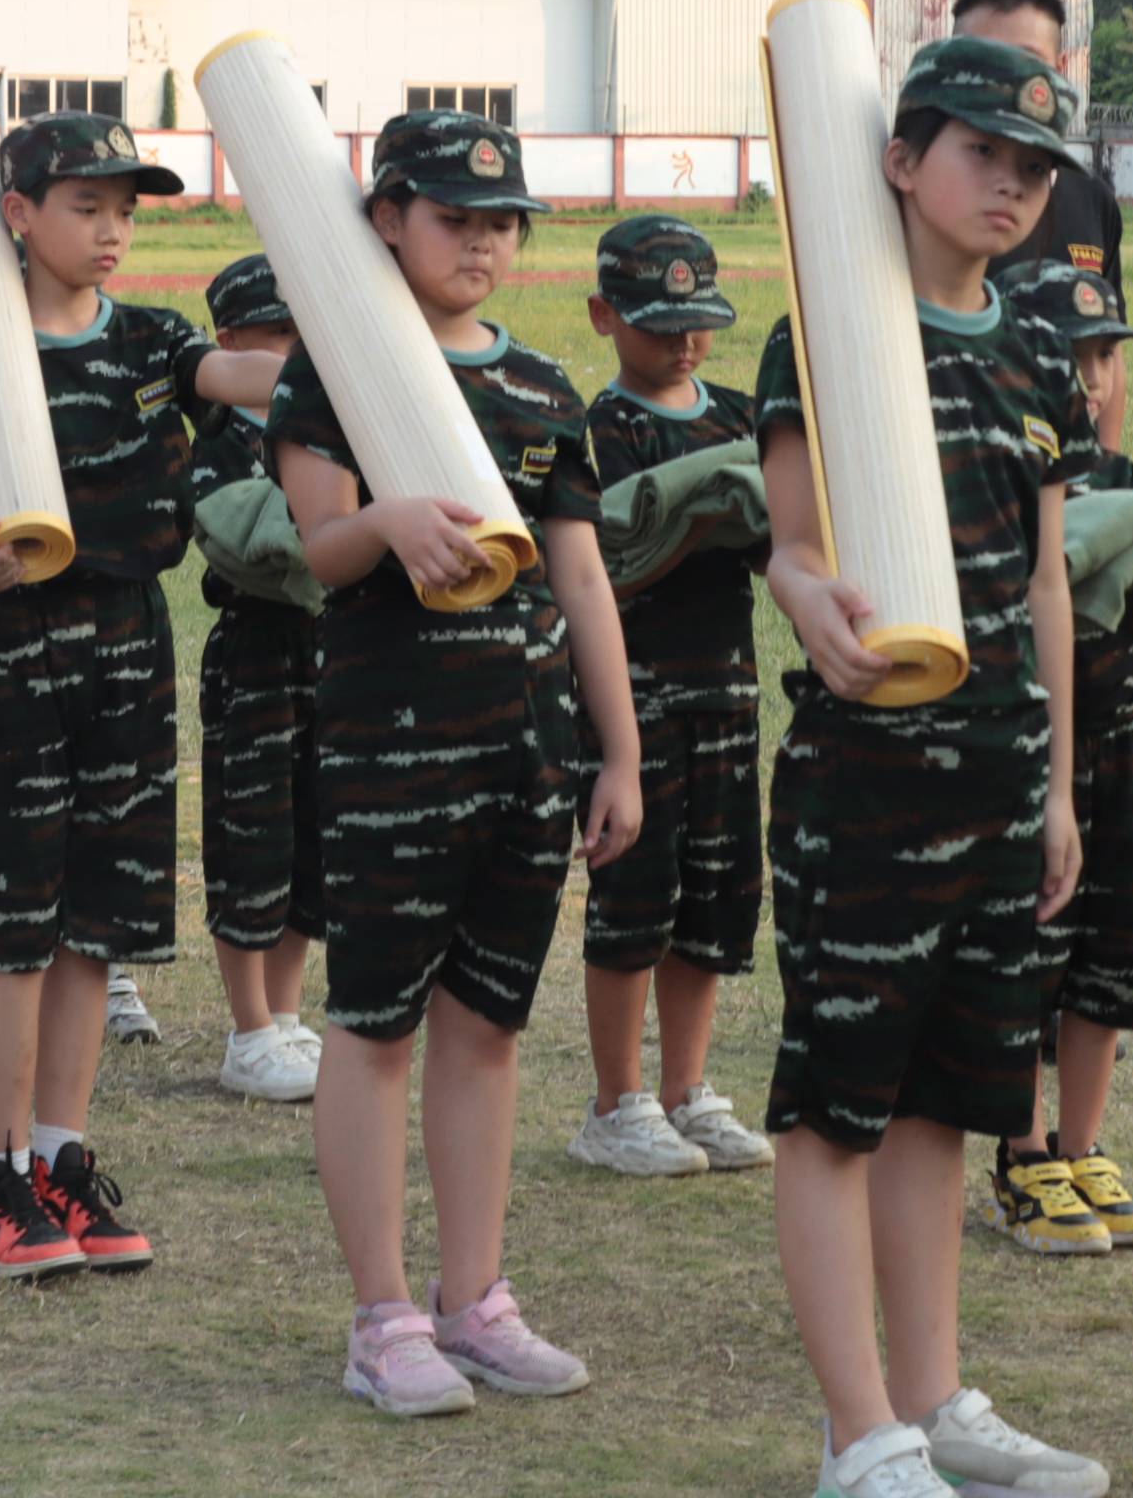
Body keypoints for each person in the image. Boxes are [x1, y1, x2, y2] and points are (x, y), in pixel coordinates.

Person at [756, 39, 1102, 1498]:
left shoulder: (1032, 348)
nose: (1009, 187)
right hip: (867, 774)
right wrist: (802, 596)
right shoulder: (829, 331)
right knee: (839, 1100)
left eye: (1032, 170)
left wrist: (1062, 785)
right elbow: (793, 543)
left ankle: (936, 1396)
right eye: (980, 157)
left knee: (951, 1100)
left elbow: (1044, 587)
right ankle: (859, 1431)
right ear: (901, 161)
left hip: (1000, 771)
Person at [272, 109, 640, 1414]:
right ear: (386, 222)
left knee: (486, 1030)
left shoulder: (545, 391)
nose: (480, 243)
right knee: (374, 1029)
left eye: (501, 224)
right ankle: (381, 1319)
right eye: (451, 218)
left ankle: (474, 1301)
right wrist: (384, 517)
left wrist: (621, 754)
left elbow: (584, 577)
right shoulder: (337, 375)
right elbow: (315, 548)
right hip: (387, 754)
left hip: (527, 758)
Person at [0, 112, 288, 1278]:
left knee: (91, 922)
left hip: (126, 645)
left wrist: (371, 348)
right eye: (85, 206)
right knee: (14, 931)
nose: (111, 228)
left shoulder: (151, 341)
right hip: (6, 654)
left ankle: (61, 1160)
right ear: (17, 213)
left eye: (125, 208)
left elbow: (239, 373)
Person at [976, 256, 1133, 1269]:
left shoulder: (1124, 478)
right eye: (1073, 353)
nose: (1093, 376)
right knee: (1028, 951)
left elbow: (1125, 611)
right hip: (1024, 744)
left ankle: (1081, 1146)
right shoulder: (996, 468)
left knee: (1109, 949)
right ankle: (1019, 1153)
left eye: (1104, 354)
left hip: (1113, 733)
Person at [568, 214, 774, 1182]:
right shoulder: (593, 431)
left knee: (715, 901)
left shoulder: (740, 415)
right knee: (631, 900)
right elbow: (599, 565)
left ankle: (688, 1090)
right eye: (659, 325)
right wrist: (691, 516)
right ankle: (616, 1101)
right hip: (634, 703)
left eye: (698, 322)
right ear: (605, 314)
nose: (685, 343)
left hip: (726, 692)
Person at [189, 252, 326, 1103]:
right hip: (256, 656)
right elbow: (248, 541)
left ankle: (288, 1011)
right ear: (230, 341)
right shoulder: (220, 441)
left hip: (334, 652)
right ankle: (249, 1030)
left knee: (316, 834)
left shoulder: (323, 428)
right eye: (278, 333)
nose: (294, 351)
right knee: (253, 840)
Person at [952, 0, 1122, 282]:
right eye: (983, 60)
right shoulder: (927, 199)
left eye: (1025, 60)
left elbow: (1102, 330)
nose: (1004, 79)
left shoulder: (1093, 201)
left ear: (1059, 70)